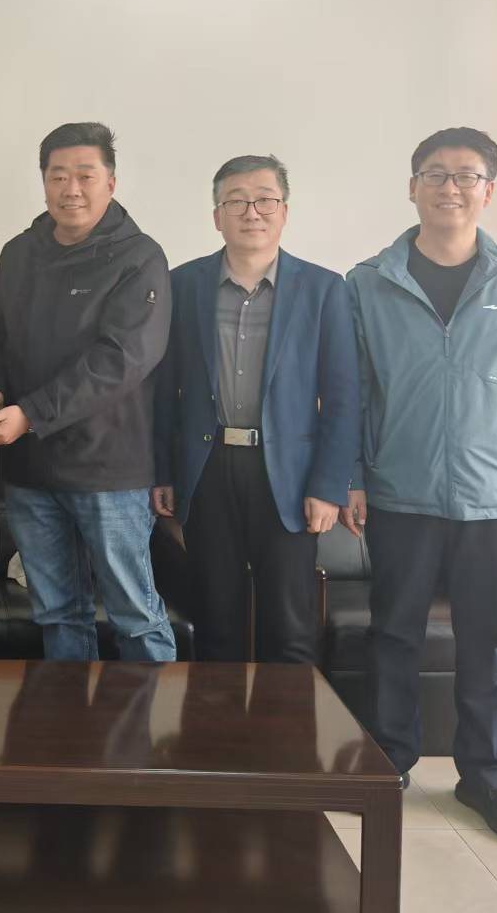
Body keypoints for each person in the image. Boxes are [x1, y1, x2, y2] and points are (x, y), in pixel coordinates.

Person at [341, 127, 497, 844]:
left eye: (466, 175)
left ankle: (486, 777)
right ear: (412, 187)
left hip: (495, 496)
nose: (450, 188)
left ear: (488, 191)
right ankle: (390, 762)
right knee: (393, 635)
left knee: (487, 641)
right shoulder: (368, 282)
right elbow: (351, 392)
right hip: (398, 491)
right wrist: (351, 477)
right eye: (435, 174)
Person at [0, 122, 174, 661]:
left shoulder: (140, 257)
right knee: (58, 613)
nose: (71, 189)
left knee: (135, 614)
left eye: (85, 175)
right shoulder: (19, 252)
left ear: (111, 182)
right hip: (30, 468)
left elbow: (122, 359)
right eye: (58, 176)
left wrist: (30, 413)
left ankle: (153, 717)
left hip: (108, 470)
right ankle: (71, 715)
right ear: (43, 183)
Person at [152, 155, 359, 663]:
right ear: (216, 216)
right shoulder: (183, 285)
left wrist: (328, 486)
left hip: (289, 474)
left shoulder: (324, 289)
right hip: (207, 469)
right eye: (236, 201)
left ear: (284, 211)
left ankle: (285, 719)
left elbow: (343, 396)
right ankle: (217, 719)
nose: (252, 212)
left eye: (265, 200)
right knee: (215, 624)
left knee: (289, 630)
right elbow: (162, 389)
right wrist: (164, 472)